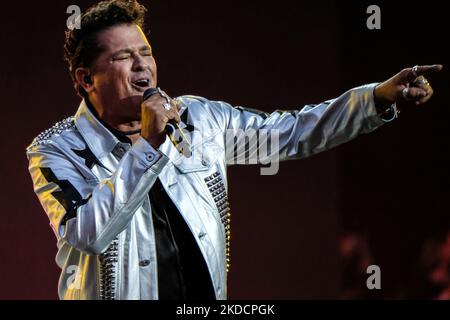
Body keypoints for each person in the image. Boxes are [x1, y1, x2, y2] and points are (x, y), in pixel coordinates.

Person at [26, 0, 442, 300]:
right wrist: (151, 144)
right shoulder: (57, 150)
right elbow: (89, 234)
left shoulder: (200, 120)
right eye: (123, 57)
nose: (143, 66)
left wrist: (376, 99)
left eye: (146, 53)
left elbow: (289, 133)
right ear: (85, 79)